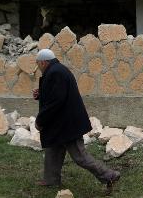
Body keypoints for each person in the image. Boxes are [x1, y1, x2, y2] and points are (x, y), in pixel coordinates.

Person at [33, 49, 120, 189]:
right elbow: (56, 94)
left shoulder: (55, 73)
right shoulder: (57, 70)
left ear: (43, 62)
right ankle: (51, 180)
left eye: (38, 64)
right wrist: (41, 93)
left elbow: (55, 101)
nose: (38, 67)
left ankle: (109, 175)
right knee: (53, 149)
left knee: (80, 156)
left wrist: (40, 120)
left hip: (67, 124)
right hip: (61, 123)